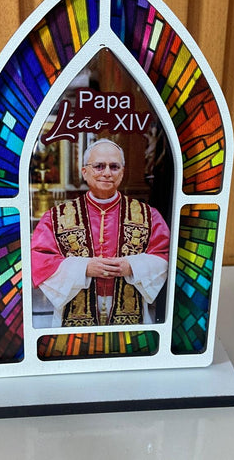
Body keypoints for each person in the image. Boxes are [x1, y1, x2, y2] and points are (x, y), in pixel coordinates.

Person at [31, 139, 170, 327]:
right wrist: (84, 268)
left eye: (114, 167)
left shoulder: (149, 216)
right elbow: (39, 260)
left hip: (131, 310)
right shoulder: (56, 217)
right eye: (99, 166)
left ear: (122, 172)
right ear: (84, 172)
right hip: (73, 311)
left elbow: (166, 255)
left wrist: (133, 266)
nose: (107, 173)